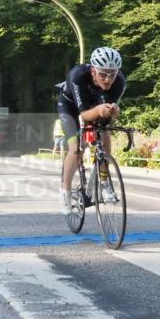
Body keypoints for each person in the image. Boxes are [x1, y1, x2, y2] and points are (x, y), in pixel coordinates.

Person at [56, 47, 126, 215]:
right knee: (76, 148)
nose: (108, 79)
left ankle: (104, 181)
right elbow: (85, 114)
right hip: (70, 106)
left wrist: (114, 110)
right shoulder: (78, 75)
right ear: (93, 70)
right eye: (103, 74)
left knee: (105, 132)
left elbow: (107, 110)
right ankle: (65, 191)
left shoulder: (120, 81)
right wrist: (100, 110)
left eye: (112, 74)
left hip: (96, 105)